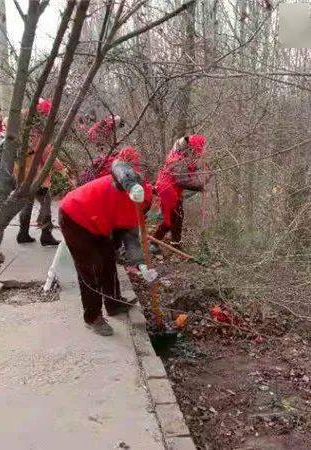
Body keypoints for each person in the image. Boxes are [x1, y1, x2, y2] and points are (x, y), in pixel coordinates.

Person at [59, 149, 157, 336]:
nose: (152, 213)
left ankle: (113, 303)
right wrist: (131, 185)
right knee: (91, 268)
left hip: (99, 223)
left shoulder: (137, 214)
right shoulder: (133, 185)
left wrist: (142, 265)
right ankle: (92, 317)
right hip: (75, 216)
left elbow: (132, 243)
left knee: (108, 260)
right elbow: (118, 166)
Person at [14, 98, 62, 246]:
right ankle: (46, 235)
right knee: (46, 204)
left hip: (22, 175)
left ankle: (23, 233)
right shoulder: (38, 134)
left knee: (26, 203)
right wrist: (60, 167)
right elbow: (47, 154)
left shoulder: (21, 130)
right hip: (38, 177)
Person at [151, 135, 207, 252]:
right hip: (167, 189)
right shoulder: (177, 160)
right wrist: (201, 186)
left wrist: (200, 168)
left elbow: (189, 168)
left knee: (179, 216)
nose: (197, 153)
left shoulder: (181, 152)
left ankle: (175, 243)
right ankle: (154, 242)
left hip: (173, 188)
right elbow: (182, 180)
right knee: (172, 219)